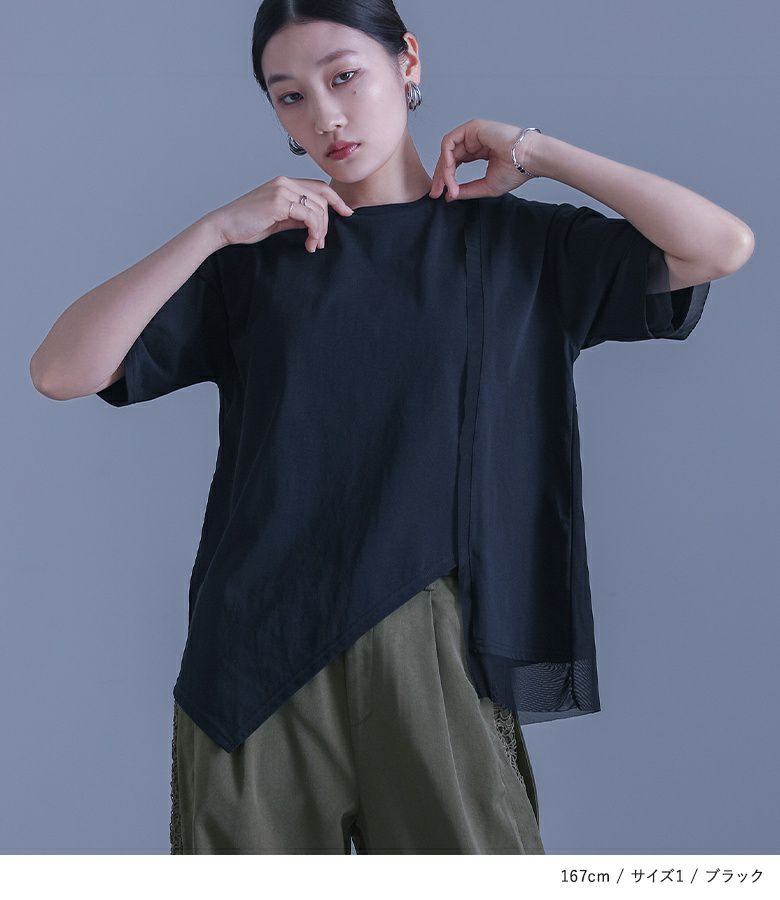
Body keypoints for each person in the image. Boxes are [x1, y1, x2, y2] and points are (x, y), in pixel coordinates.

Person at [29, 0, 754, 855]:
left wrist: (534, 151)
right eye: (290, 96)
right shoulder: (257, 261)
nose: (326, 116)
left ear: (408, 61)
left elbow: (719, 246)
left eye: (344, 77)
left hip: (433, 645)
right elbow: (60, 371)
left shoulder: (518, 244)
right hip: (254, 657)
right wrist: (215, 230)